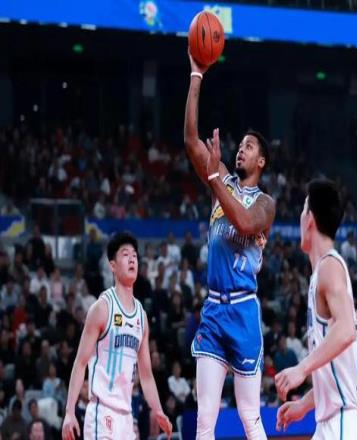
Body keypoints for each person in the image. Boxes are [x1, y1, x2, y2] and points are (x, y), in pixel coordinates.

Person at [185, 52, 276, 440]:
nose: (241, 149)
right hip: (213, 309)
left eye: (249, 146)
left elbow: (243, 222)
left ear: (262, 161)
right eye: (240, 145)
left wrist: (214, 179)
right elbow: (191, 139)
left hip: (243, 309)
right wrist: (196, 75)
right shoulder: (220, 178)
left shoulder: (265, 203)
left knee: (249, 415)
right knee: (205, 418)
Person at [274, 179, 357, 439]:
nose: (300, 218)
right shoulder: (321, 273)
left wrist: (301, 368)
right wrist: (304, 404)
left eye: (303, 210)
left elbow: (347, 330)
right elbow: (337, 371)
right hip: (330, 423)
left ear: (310, 220)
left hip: (342, 422)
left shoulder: (329, 267)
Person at [62, 232, 172, 440]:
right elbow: (80, 362)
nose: (132, 259)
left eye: (135, 256)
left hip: (127, 417)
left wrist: (158, 410)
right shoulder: (102, 308)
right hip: (102, 413)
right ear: (112, 265)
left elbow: (146, 375)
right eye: (125, 254)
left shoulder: (141, 316)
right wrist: (69, 411)